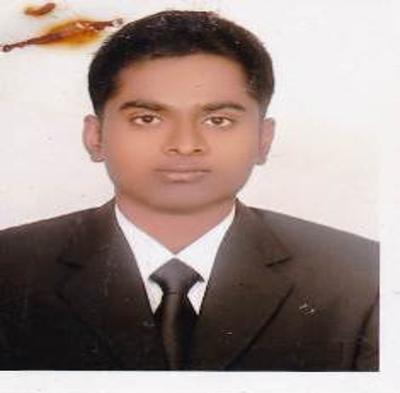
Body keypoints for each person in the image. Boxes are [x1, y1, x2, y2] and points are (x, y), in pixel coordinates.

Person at [0, 10, 378, 371]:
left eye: (218, 120)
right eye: (147, 118)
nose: (185, 144)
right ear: (95, 136)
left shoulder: (365, 278)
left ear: (264, 139)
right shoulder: (10, 270)